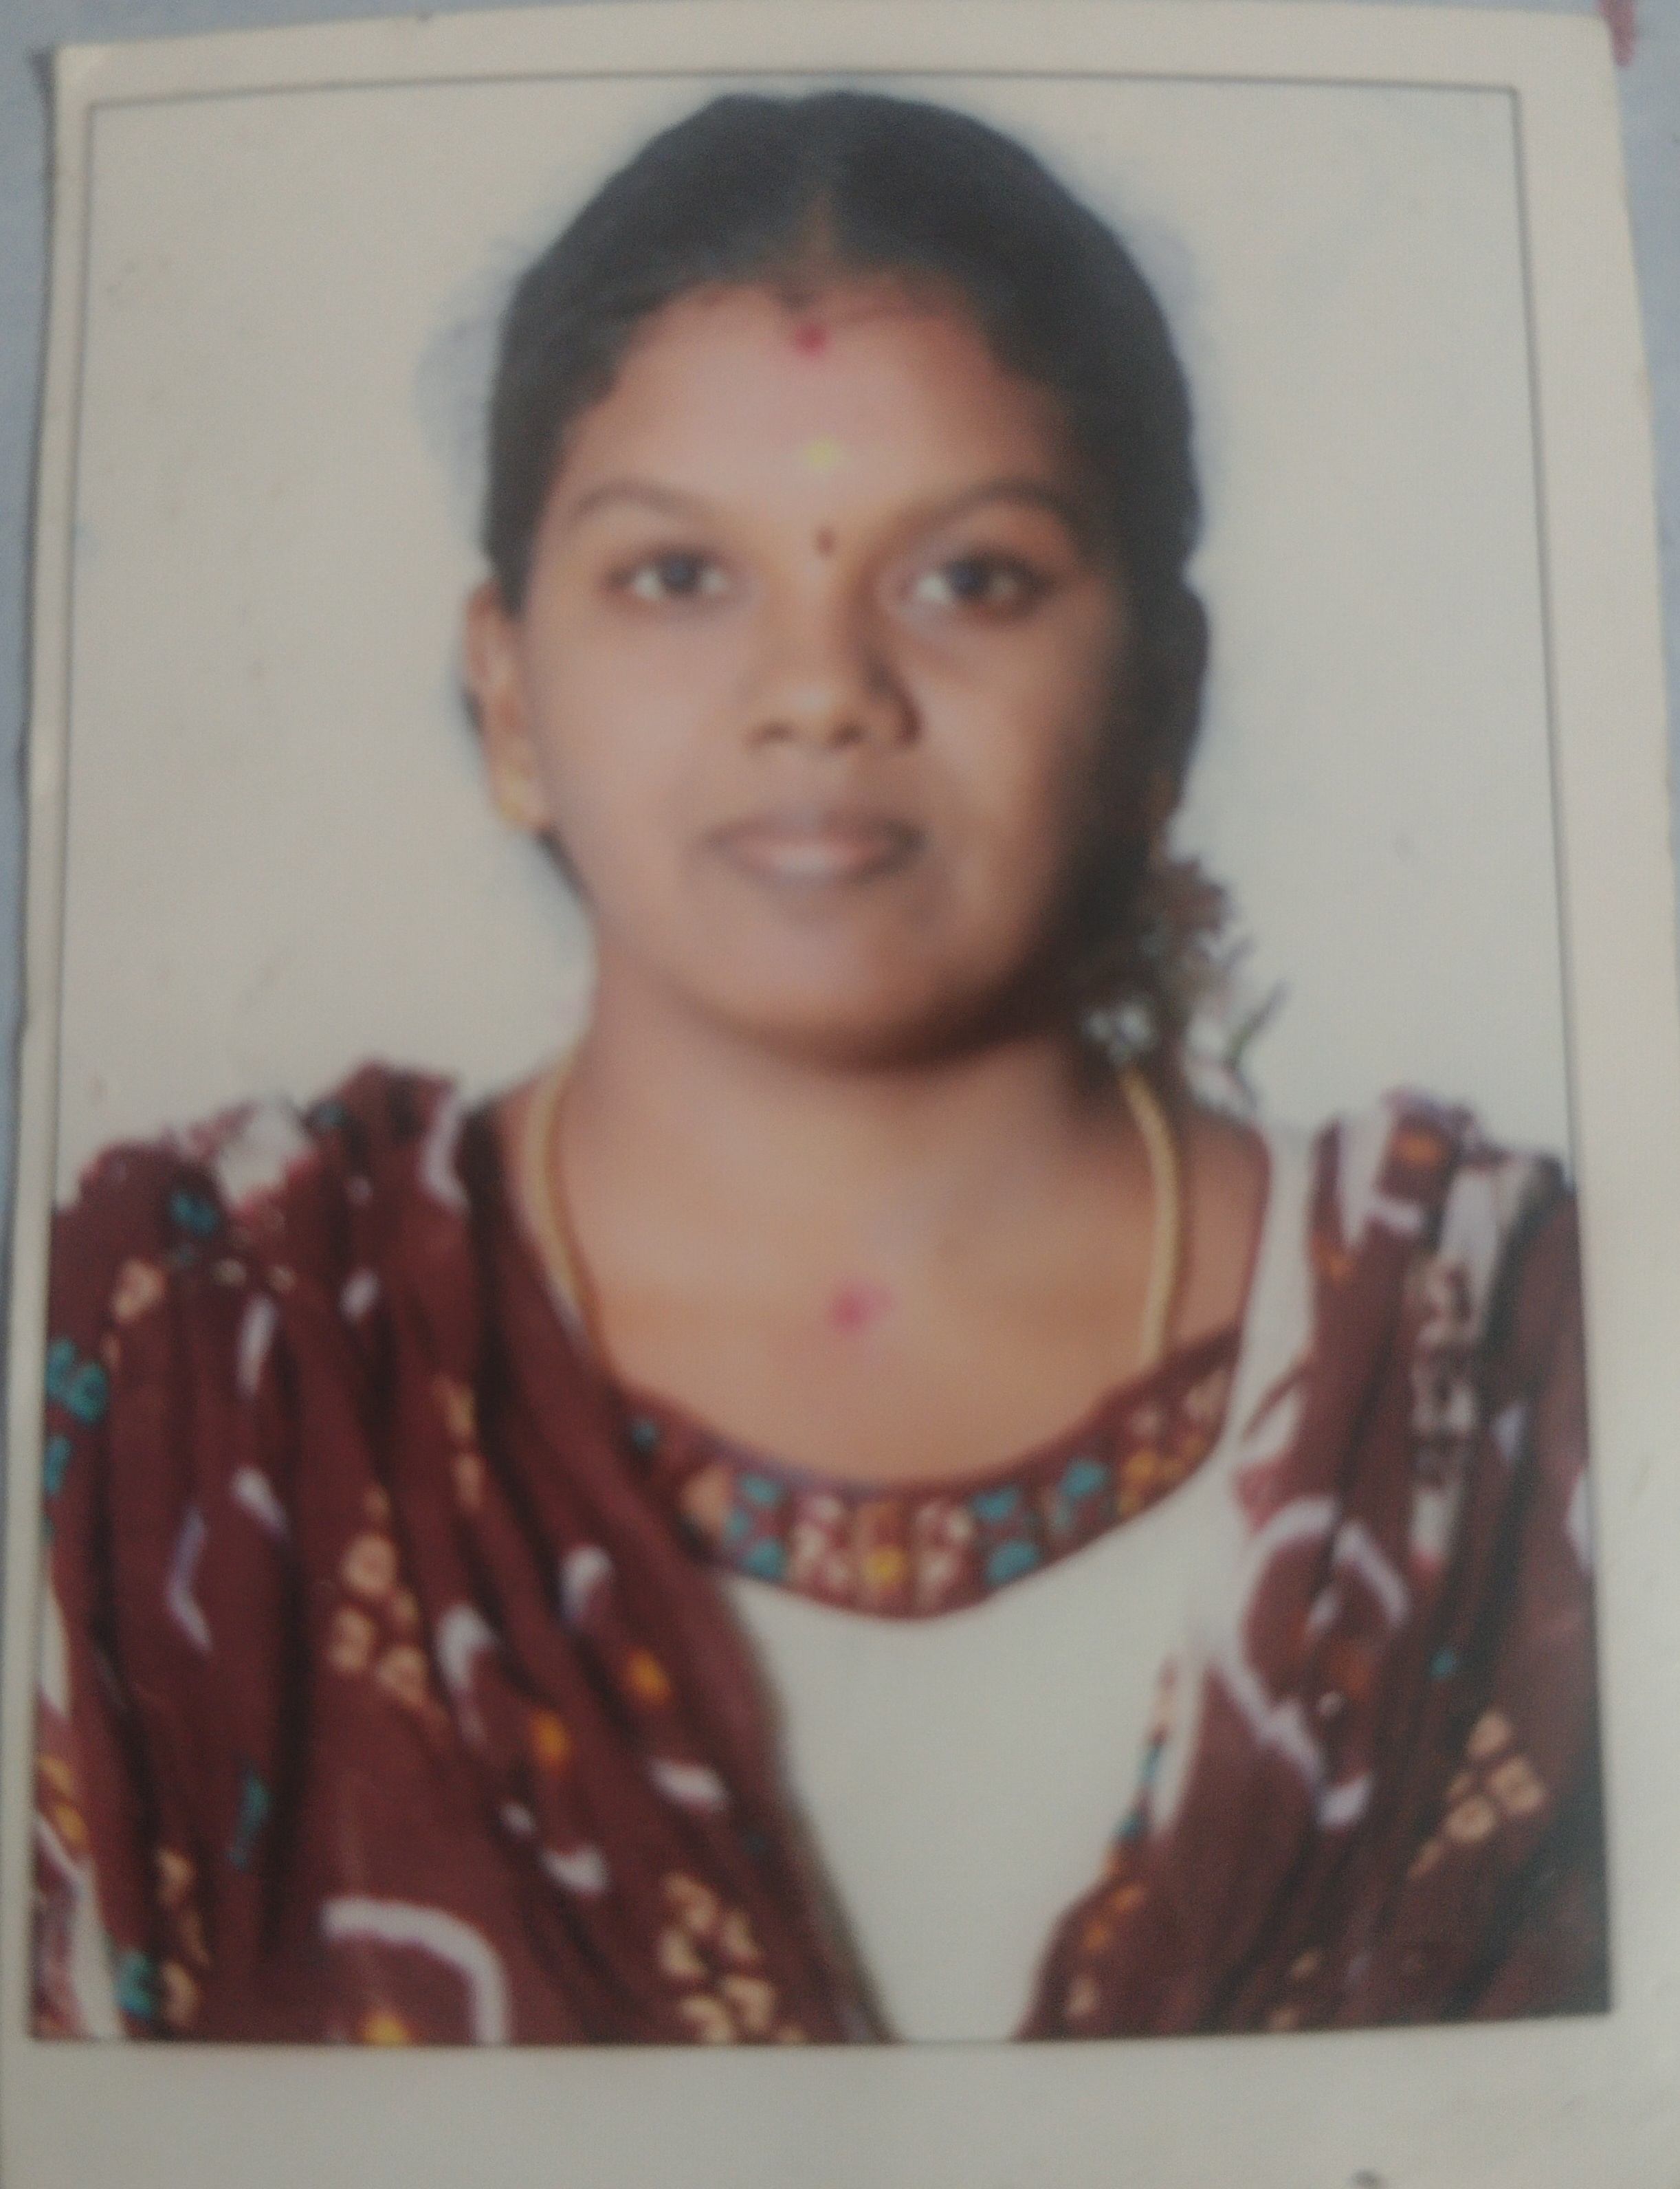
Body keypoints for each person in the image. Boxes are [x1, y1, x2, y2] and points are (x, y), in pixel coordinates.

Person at [30, 89, 1602, 2047]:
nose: (818, 693)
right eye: (678, 577)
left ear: (1161, 703)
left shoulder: (1516, 1367)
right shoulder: (200, 1358)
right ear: (506, 691)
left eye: (972, 577)